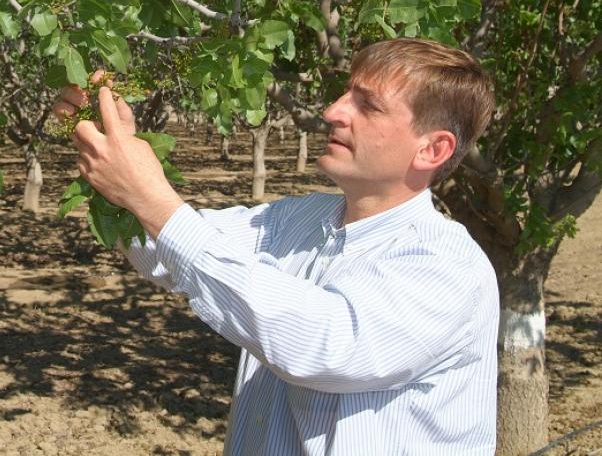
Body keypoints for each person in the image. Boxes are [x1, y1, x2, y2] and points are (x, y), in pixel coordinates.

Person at [53, 38, 499, 455]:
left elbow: (321, 345)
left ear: (432, 149)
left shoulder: (447, 267)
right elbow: (168, 252)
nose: (333, 111)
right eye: (346, 94)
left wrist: (149, 197)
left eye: (368, 105)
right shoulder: (297, 219)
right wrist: (118, 156)